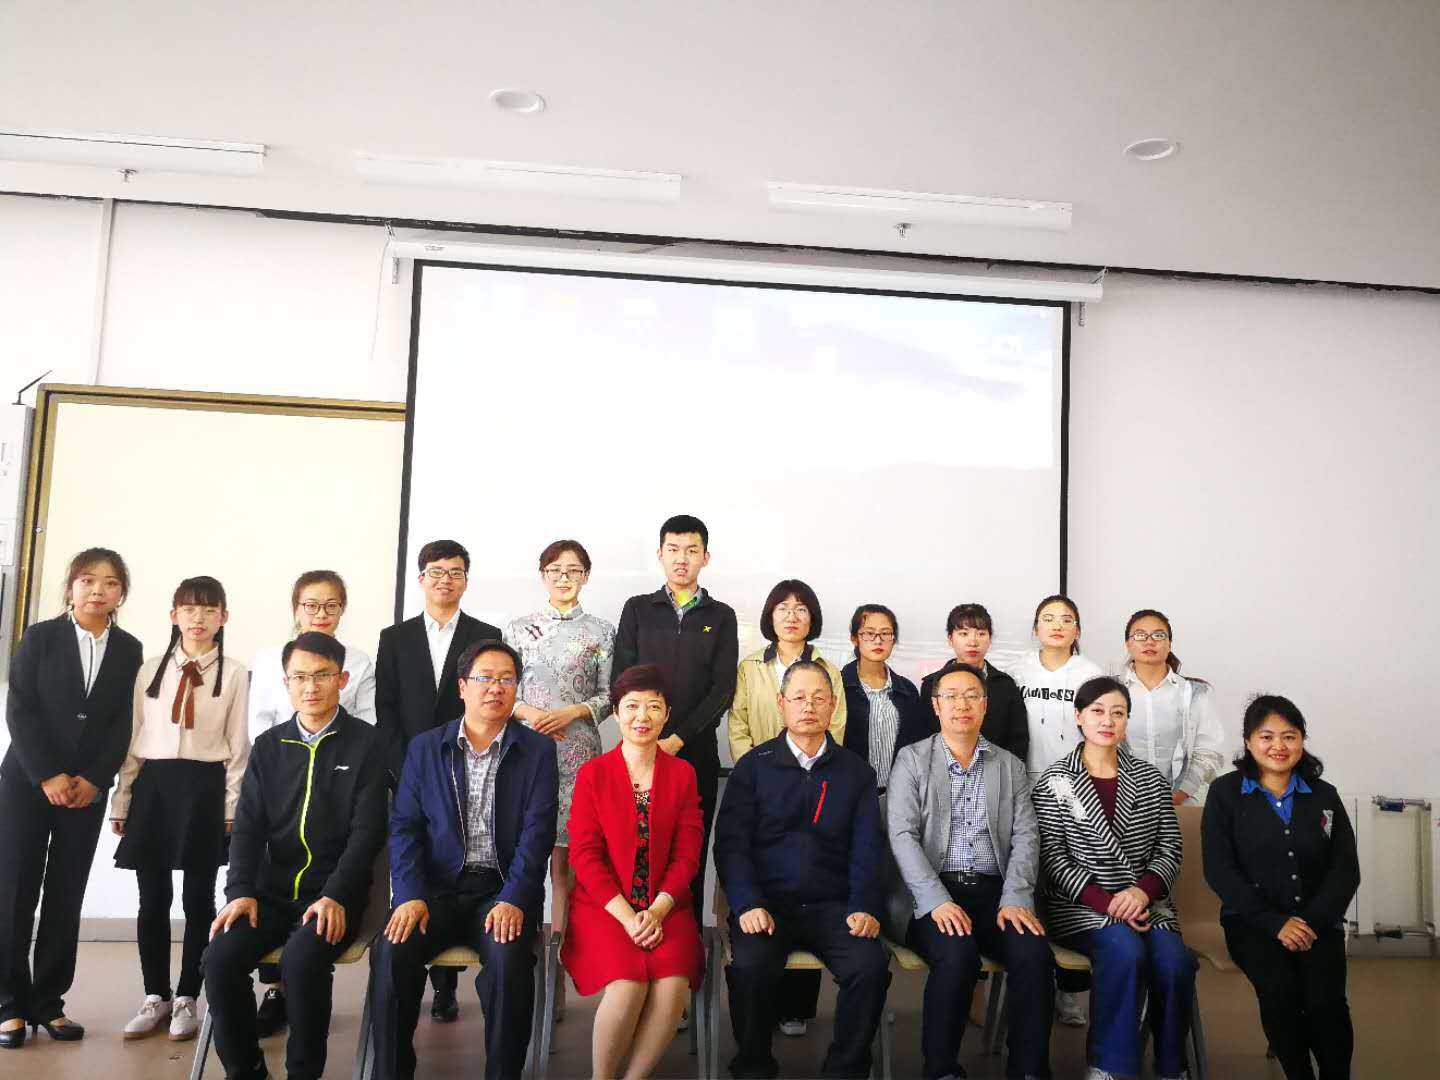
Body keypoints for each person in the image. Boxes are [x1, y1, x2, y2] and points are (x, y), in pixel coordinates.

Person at [369, 640, 558, 1080]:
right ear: (462, 687)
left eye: (506, 679)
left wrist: (514, 898)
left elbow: (538, 834)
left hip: (500, 892)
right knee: (392, 953)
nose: (496, 688)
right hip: (434, 893)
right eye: (484, 678)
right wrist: (410, 895)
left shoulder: (537, 751)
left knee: (509, 964)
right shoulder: (425, 748)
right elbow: (405, 828)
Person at [203, 631, 387, 1080]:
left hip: (335, 898)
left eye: (322, 675)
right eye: (300, 677)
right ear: (285, 683)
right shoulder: (269, 746)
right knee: (219, 960)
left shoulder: (368, 744)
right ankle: (246, 1070)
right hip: (269, 896)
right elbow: (247, 828)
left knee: (302, 962)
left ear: (342, 679)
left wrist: (336, 895)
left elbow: (366, 835)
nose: (311, 686)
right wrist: (240, 891)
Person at [714, 660, 891, 1079]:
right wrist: (747, 904)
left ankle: (845, 1070)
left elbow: (869, 848)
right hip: (767, 906)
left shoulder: (856, 773)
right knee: (750, 968)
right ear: (781, 704)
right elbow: (731, 846)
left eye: (818, 698)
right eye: (798, 697)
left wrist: (865, 905)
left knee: (869, 967)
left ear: (833, 706)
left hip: (834, 907)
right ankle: (754, 1067)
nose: (808, 706)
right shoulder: (753, 767)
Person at [0, 548, 144, 1050]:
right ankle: (8, 1005)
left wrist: (95, 778)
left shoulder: (129, 648)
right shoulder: (40, 637)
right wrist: (48, 775)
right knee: (14, 891)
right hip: (27, 784)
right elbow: (19, 709)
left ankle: (49, 1003)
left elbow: (122, 721)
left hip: (86, 790)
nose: (98, 590)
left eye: (110, 582)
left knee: (66, 893)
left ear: (121, 593)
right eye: (88, 580)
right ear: (70, 587)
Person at [887, 660, 1053, 1080]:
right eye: (952, 696)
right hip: (932, 895)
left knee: (1034, 955)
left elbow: (1026, 836)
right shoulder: (911, 759)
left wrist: (1016, 897)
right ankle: (942, 1068)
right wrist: (936, 901)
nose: (962, 704)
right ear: (936, 706)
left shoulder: (1009, 765)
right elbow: (902, 836)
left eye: (971, 696)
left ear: (985, 705)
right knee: (957, 957)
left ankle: (1029, 1069)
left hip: (996, 895)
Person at [1032, 676, 1193, 1080]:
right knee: (1124, 951)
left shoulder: (1151, 780)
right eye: (1098, 711)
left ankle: (1171, 1066)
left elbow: (1170, 848)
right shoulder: (1054, 781)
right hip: (1079, 906)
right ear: (1079, 717)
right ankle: (1110, 1066)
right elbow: (1051, 859)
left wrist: (1140, 893)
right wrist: (1109, 905)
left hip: (1145, 903)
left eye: (1118, 713)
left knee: (1174, 961)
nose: (1107, 721)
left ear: (1126, 721)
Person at [111, 576, 250, 1042]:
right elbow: (133, 738)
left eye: (209, 610)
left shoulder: (234, 673)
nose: (198, 619)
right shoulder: (150, 669)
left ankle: (189, 996)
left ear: (223, 618)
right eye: (189, 609)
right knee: (152, 899)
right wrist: (122, 799)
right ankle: (156, 995)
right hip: (154, 788)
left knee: (198, 900)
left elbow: (238, 747)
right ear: (174, 615)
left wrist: (231, 806)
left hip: (204, 788)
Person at [376, 538, 502, 1022]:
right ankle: (419, 965)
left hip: (469, 766)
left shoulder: (485, 635)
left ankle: (446, 985)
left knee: (459, 857)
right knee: (416, 860)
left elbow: (488, 706)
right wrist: (403, 768)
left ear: (466, 580)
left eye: (455, 572)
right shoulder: (395, 637)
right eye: (436, 571)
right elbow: (386, 710)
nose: (445, 579)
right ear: (421, 578)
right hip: (410, 770)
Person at [248, 568, 377, 1034]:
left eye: (331, 605)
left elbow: (365, 720)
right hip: (282, 773)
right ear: (295, 608)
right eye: (311, 604)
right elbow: (258, 720)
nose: (320, 613)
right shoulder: (269, 659)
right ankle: (276, 991)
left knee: (309, 944)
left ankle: (298, 993)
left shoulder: (358, 660)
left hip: (338, 776)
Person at [1202, 695, 1359, 1080]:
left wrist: (1312, 921)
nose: (1279, 746)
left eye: (1289, 736)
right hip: (1252, 924)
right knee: (1280, 994)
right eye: (1266, 736)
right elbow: (1220, 871)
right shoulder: (1225, 793)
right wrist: (1275, 923)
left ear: (1302, 740)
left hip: (1317, 923)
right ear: (1248, 741)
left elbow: (1345, 870)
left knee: (1326, 1002)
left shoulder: (1324, 795)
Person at [563, 664, 704, 1079]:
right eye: (632, 706)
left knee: (673, 982)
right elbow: (584, 856)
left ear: (667, 714)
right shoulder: (593, 774)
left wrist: (657, 910)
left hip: (667, 906)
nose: (643, 716)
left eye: (654, 707)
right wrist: (628, 918)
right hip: (605, 907)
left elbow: (688, 854)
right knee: (629, 983)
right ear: (616, 712)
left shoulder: (683, 774)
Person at [727, 578, 846, 1038]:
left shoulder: (828, 669)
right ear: (770, 616)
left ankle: (796, 1006)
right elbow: (738, 722)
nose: (792, 616)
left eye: (800, 608)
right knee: (759, 881)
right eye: (783, 607)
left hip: (815, 780)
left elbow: (836, 724)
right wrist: (757, 772)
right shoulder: (750, 667)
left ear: (812, 617)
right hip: (759, 784)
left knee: (810, 875)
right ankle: (757, 1012)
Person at [505, 538, 615, 1020]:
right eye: (555, 569)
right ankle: (527, 974)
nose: (564, 577)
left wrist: (571, 712)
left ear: (586, 576)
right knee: (527, 857)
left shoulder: (602, 631)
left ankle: (562, 975)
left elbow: (610, 695)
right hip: (528, 751)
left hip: (579, 754)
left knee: (568, 868)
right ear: (542, 575)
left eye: (573, 570)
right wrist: (533, 715)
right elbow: (503, 688)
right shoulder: (517, 628)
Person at [613, 514, 739, 933]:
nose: (681, 558)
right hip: (637, 755)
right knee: (637, 850)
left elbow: (722, 688)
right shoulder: (637, 609)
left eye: (691, 550)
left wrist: (678, 738)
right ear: (660, 554)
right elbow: (621, 679)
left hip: (696, 754)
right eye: (673, 549)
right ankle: (635, 936)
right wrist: (648, 737)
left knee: (689, 853)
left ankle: (685, 946)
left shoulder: (721, 615)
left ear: (706, 557)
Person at [1118, 609, 1225, 806]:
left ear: (1169, 644)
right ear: (1128, 643)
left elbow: (1208, 750)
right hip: (1122, 805)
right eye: (1140, 635)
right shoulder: (1110, 691)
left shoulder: (1192, 693)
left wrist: (1180, 794)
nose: (1149, 641)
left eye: (1158, 635)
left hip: (1179, 804)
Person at [918, 603, 1029, 761]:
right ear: (950, 639)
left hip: (997, 770)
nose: (973, 642)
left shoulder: (1005, 685)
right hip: (942, 771)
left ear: (990, 639)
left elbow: (1018, 740)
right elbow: (923, 740)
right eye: (964, 634)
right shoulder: (931, 685)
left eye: (981, 634)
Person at [842, 603, 933, 786]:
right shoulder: (839, 686)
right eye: (869, 633)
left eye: (885, 633)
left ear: (893, 639)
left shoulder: (907, 690)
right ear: (855, 638)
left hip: (898, 793)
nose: (878, 640)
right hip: (851, 792)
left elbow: (917, 746)